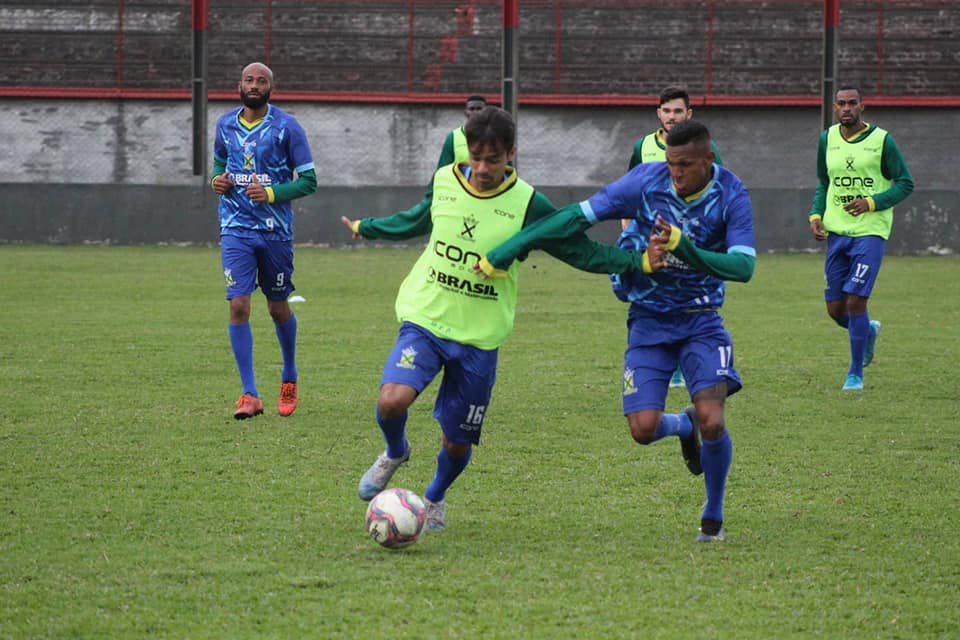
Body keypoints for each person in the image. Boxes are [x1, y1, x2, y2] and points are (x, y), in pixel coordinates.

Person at [341, 106, 648, 531]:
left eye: (494, 159)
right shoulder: (446, 178)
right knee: (391, 401)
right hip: (426, 316)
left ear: (512, 154)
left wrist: (639, 262)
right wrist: (368, 227)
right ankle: (395, 451)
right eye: (475, 157)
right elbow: (416, 217)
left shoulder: (527, 202)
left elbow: (581, 250)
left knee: (457, 440)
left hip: (480, 337)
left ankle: (434, 496)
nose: (482, 169)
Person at [476, 120, 755, 542]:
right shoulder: (646, 181)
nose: (675, 173)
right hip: (648, 319)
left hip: (701, 319)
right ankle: (682, 426)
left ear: (707, 161)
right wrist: (508, 250)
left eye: (684, 165)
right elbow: (576, 217)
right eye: (670, 163)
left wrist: (686, 249)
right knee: (643, 429)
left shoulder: (732, 193)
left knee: (714, 420)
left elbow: (744, 267)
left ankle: (712, 518)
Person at [211, 62, 317, 419]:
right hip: (235, 228)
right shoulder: (224, 125)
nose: (254, 85)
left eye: (261, 81)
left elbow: (308, 181)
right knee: (238, 305)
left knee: (277, 307)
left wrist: (272, 193)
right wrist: (216, 182)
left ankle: (289, 375)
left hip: (274, 231)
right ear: (239, 85)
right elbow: (218, 165)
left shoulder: (288, 127)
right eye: (248, 80)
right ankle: (249, 394)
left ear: (271, 87)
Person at [807, 85, 914, 391]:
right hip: (837, 232)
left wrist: (871, 202)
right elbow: (824, 183)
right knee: (835, 309)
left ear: (862, 107)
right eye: (841, 104)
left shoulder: (882, 141)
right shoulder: (827, 139)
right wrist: (816, 215)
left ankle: (855, 374)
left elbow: (905, 183)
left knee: (856, 300)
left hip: (870, 232)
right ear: (834, 107)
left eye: (852, 103)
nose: (846, 109)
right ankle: (868, 332)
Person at [627, 85, 724, 390]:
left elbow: (719, 191)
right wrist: (629, 227)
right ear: (658, 113)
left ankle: (682, 364)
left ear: (689, 114)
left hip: (689, 235)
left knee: (685, 294)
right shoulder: (642, 147)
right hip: (650, 236)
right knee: (652, 296)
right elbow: (630, 189)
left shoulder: (705, 149)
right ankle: (661, 359)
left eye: (678, 111)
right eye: (666, 111)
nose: (671, 117)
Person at [435, 95, 488, 168]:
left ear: (486, 111)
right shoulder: (453, 137)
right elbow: (442, 169)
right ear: (465, 112)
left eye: (479, 109)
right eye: (471, 109)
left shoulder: (496, 136)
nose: (475, 112)